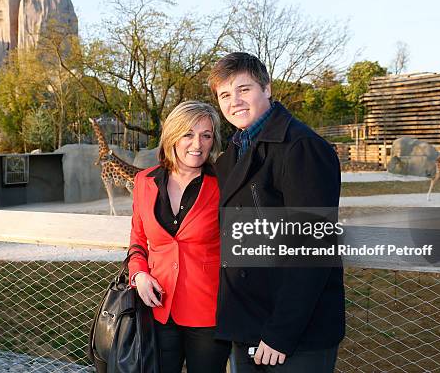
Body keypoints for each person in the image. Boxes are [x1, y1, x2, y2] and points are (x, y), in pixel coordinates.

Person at [209, 52, 345, 372]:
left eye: (244, 89)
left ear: (267, 89)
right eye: (225, 95)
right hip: (248, 322)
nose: (235, 101)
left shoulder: (301, 147)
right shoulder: (232, 154)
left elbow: (313, 247)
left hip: (292, 332)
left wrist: (281, 333)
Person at [127, 101, 232, 373]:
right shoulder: (144, 181)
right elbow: (138, 240)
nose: (197, 144)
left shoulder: (224, 183)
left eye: (206, 135)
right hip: (159, 309)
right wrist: (139, 275)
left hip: (209, 312)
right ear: (172, 136)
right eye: (188, 134)